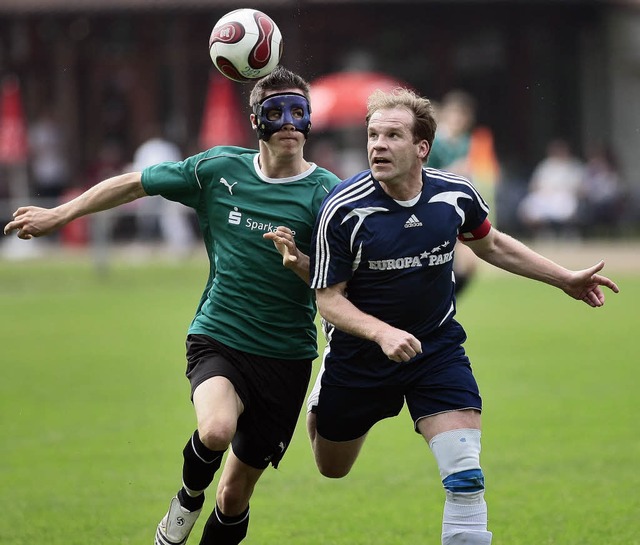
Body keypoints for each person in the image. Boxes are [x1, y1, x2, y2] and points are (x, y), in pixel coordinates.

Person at [3, 66, 341, 545]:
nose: (288, 121)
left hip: (286, 356)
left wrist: (301, 263)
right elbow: (135, 183)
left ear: (309, 121)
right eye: (275, 111)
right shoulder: (218, 169)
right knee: (218, 429)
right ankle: (185, 500)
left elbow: (341, 285)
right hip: (219, 334)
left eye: (297, 112)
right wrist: (62, 212)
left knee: (234, 496)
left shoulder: (329, 195)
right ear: (255, 120)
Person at [304, 88, 619, 545]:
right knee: (331, 467)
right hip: (359, 355)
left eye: (393, 135)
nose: (378, 145)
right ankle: (324, 395)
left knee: (465, 475)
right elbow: (327, 299)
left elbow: (492, 244)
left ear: (421, 147)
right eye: (373, 135)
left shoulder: (454, 195)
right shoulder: (343, 208)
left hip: (436, 349)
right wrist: (381, 333)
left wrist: (564, 279)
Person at [426, 90, 500, 296]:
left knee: (469, 265)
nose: (458, 119)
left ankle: (444, 305)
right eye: (454, 114)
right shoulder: (433, 142)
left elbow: (486, 172)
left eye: (463, 115)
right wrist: (452, 171)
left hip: (460, 210)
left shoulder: (471, 143)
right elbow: (421, 175)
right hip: (433, 209)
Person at [518, 138, 585, 239]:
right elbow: (534, 184)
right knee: (529, 206)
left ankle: (567, 232)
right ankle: (544, 231)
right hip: (544, 196)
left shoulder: (574, 166)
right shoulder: (546, 165)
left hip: (565, 197)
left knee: (566, 207)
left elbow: (581, 187)